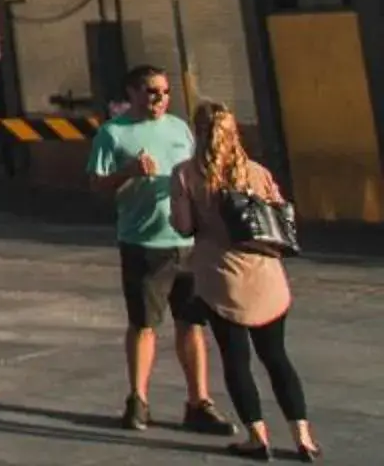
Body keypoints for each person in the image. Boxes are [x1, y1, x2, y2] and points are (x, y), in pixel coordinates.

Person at [170, 100, 317, 461]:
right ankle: (303, 438)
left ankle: (258, 437)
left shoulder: (186, 174)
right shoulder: (258, 172)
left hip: (222, 280)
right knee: (277, 358)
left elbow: (184, 227)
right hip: (266, 278)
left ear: (198, 132)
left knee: (236, 361)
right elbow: (281, 216)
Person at [88, 65, 227, 435]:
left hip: (187, 242)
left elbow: (197, 172)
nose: (159, 99)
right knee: (145, 324)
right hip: (144, 244)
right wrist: (130, 171)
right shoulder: (112, 134)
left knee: (193, 324)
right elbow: (96, 186)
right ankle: (138, 400)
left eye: (164, 92)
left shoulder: (179, 129)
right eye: (151, 92)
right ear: (132, 93)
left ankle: (199, 402)